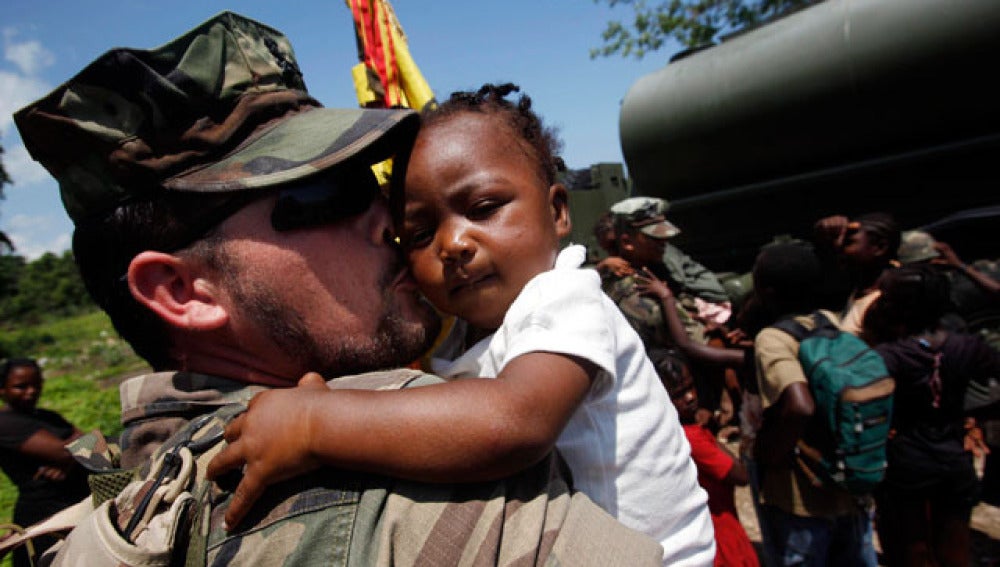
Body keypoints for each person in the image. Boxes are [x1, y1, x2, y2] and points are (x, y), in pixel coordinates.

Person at [10, 12, 663, 565]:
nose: (390, 222)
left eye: (374, 183)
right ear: (183, 290)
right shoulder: (410, 476)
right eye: (329, 191)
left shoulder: (127, 485)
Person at [209, 83, 715, 566]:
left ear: (559, 212)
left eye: (483, 208)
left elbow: (517, 422)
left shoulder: (563, 297)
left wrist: (316, 424)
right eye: (421, 232)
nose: (453, 244)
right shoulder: (458, 333)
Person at [861, 264, 1000, 567]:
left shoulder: (889, 356)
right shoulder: (967, 346)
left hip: (907, 458)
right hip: (954, 454)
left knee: (913, 547)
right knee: (955, 542)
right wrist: (977, 415)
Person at [751, 242, 879, 567]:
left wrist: (770, 454)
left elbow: (799, 406)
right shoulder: (829, 321)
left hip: (801, 495)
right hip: (846, 481)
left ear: (765, 291)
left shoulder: (773, 338)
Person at [649, 348, 760, 567]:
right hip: (721, 535)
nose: (690, 397)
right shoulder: (692, 437)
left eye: (690, 387)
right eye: (678, 394)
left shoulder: (667, 433)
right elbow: (741, 474)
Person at [0, 358, 90, 566]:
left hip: (72, 504)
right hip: (44, 515)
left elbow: (92, 443)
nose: (31, 391)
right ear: (2, 389)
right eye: (20, 386)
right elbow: (66, 451)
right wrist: (72, 453)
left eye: (36, 385)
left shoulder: (47, 416)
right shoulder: (5, 423)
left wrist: (69, 458)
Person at [812, 212, 901, 335]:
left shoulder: (891, 300)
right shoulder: (857, 287)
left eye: (848, 242)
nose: (839, 247)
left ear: (879, 247)